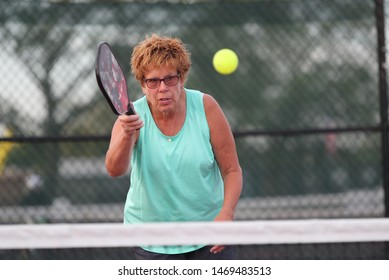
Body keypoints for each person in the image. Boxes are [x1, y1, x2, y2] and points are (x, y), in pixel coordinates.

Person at [105, 34, 243, 260]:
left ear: (182, 79)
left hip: (209, 236)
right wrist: (127, 135)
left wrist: (226, 214)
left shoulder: (206, 107)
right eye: (153, 81)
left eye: (170, 79)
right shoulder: (131, 116)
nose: (162, 88)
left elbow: (232, 170)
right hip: (151, 241)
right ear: (142, 84)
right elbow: (114, 169)